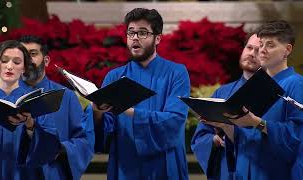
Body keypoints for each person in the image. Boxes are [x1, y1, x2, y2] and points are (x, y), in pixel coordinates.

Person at [86, 8, 191, 179]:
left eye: (142, 33)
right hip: (126, 163)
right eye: (131, 32)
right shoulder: (114, 76)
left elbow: (175, 120)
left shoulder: (176, 73)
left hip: (164, 163)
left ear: (157, 38)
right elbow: (104, 129)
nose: (135, 37)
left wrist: (129, 111)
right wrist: (96, 111)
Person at [203, 20, 303, 179]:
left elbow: (296, 137)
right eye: (261, 44)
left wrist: (257, 122)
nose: (262, 50)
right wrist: (225, 125)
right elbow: (245, 138)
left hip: (274, 172)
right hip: (244, 171)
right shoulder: (257, 85)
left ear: (287, 50)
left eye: (270, 45)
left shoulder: (296, 84)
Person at [18, 35, 94, 180]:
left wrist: (62, 149)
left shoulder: (67, 97)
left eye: (33, 54)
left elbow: (84, 141)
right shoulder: (6, 98)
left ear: (46, 60)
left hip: (54, 173)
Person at [0, 40, 61, 179]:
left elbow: (51, 148)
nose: (9, 66)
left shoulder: (37, 103)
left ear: (24, 68)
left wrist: (30, 126)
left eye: (17, 62)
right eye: (5, 61)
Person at [191, 32, 261, 180]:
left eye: (258, 50)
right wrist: (214, 140)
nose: (251, 54)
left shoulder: (275, 93)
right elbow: (201, 136)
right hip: (226, 172)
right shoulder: (222, 92)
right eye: (249, 47)